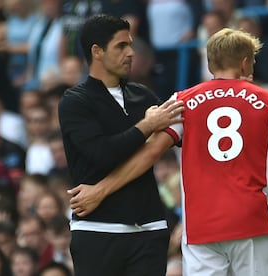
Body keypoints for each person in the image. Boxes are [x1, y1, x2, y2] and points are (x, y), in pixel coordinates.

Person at [69, 27, 268, 275]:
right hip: (252, 224)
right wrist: (253, 201)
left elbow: (149, 154)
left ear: (210, 65)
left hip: (201, 227)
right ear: (245, 63)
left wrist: (100, 190)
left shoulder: (182, 102)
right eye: (252, 61)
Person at [58, 14, 184, 276]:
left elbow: (160, 145)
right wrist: (146, 126)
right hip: (97, 229)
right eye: (121, 46)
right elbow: (102, 155)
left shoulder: (144, 95)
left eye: (131, 45)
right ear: (97, 51)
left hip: (150, 228)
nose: (130, 53)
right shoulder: (75, 101)